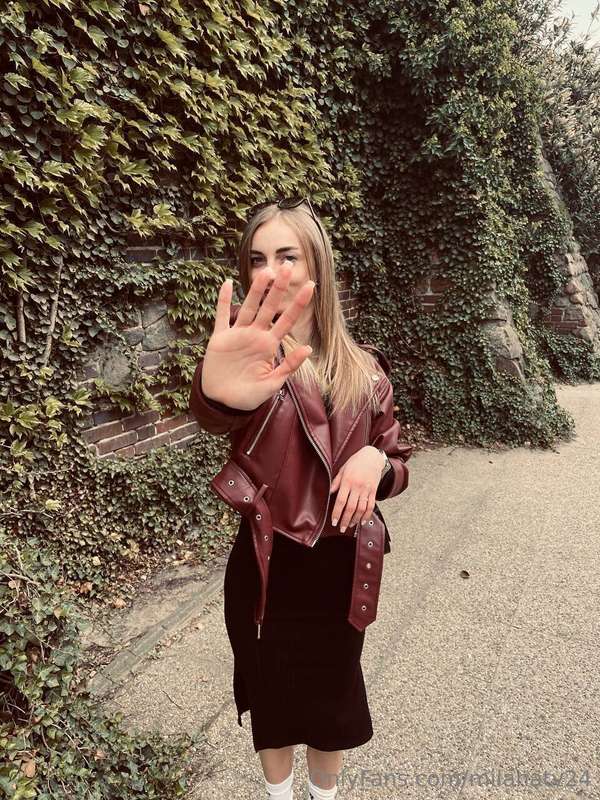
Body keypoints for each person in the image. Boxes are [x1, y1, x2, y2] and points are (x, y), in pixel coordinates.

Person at [189, 198, 413, 800]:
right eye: (257, 259)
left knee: (333, 702)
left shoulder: (368, 372)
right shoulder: (253, 360)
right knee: (272, 699)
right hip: (267, 566)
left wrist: (376, 462)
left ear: (317, 264)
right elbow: (218, 410)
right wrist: (216, 395)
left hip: (341, 569)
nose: (271, 272)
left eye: (287, 255)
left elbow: (398, 461)